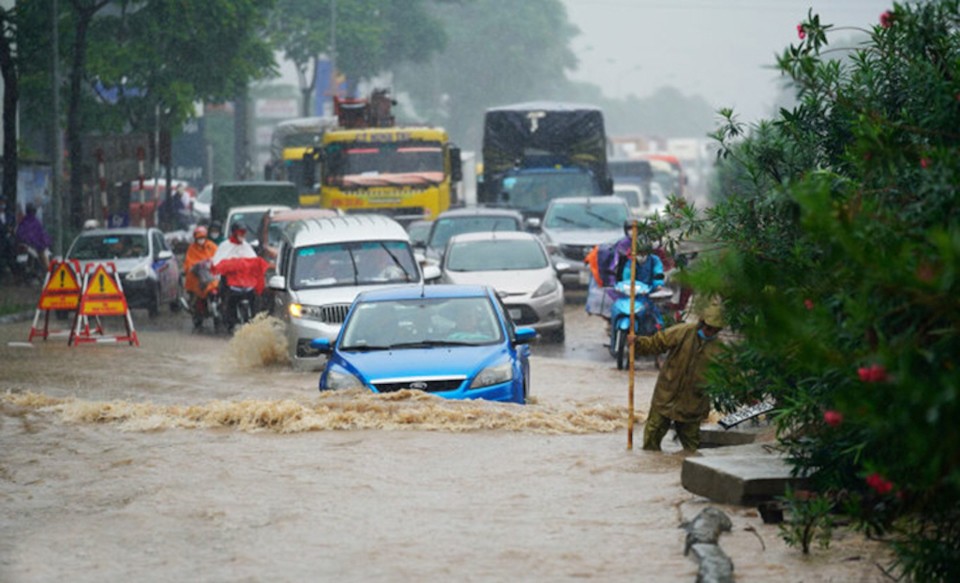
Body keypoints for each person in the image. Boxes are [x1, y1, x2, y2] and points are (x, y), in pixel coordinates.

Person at [635, 303, 725, 452]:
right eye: (708, 328)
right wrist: (637, 343)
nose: (710, 332)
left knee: (692, 449)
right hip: (666, 395)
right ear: (702, 324)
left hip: (693, 404)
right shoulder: (683, 332)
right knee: (651, 440)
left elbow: (730, 376)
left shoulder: (719, 349)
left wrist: (748, 396)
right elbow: (656, 343)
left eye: (715, 330)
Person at [212, 223, 267, 332]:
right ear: (234, 233)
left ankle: (255, 319)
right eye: (240, 232)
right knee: (229, 298)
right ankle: (230, 321)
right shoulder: (225, 246)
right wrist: (230, 266)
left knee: (255, 298)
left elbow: (253, 260)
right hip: (230, 282)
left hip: (246, 282)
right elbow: (217, 264)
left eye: (243, 233)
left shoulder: (246, 246)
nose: (242, 235)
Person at [183, 225, 219, 328]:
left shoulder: (211, 246)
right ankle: (197, 311)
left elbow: (218, 257)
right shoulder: (192, 248)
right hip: (198, 276)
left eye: (202, 237)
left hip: (211, 275)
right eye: (199, 238)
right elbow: (189, 263)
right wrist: (196, 266)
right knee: (197, 290)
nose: (201, 240)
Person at [15, 203, 53, 270]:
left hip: (27, 244)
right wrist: (45, 242)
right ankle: (49, 271)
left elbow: (21, 233)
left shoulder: (24, 222)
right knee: (43, 254)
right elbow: (39, 235)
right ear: (34, 211)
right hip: (33, 246)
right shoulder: (35, 222)